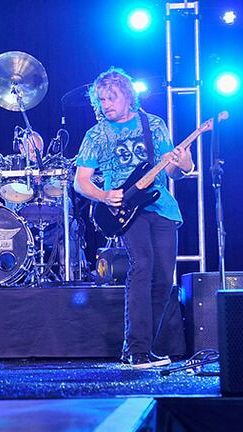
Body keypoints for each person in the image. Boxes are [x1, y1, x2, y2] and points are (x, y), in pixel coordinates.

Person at [73, 67, 194, 369]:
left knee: (165, 276)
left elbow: (173, 171)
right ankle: (135, 349)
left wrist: (186, 163)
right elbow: (81, 181)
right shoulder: (96, 134)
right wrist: (104, 195)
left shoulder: (154, 125)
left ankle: (149, 348)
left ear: (128, 96)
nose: (105, 105)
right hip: (125, 209)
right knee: (143, 266)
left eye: (111, 98)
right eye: (101, 100)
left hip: (161, 207)